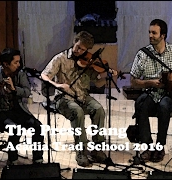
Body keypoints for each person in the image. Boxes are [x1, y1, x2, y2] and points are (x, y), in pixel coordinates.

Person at [41, 31, 117, 167]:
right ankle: (81, 152)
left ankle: (97, 149)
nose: (79, 51)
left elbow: (97, 81)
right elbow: (44, 75)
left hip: (82, 96)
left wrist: (108, 75)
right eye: (78, 47)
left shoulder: (87, 61)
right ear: (74, 42)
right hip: (63, 99)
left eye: (83, 49)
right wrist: (57, 84)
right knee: (77, 112)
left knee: (99, 109)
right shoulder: (60, 58)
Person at [130, 19, 172, 163]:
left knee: (164, 105)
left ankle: (160, 147)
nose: (150, 35)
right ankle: (148, 147)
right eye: (149, 32)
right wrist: (150, 83)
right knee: (141, 103)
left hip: (171, 97)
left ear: (163, 35)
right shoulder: (142, 54)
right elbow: (133, 81)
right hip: (151, 93)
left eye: (154, 33)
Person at [0, 48, 44, 165]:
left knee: (38, 126)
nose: (19, 65)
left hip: (17, 110)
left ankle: (38, 159)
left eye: (19, 62)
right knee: (14, 128)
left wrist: (14, 90)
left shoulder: (20, 74)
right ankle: (13, 160)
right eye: (16, 62)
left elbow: (27, 91)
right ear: (6, 64)